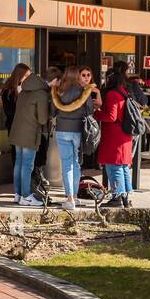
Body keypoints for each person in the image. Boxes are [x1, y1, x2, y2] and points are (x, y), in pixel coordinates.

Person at [51, 66, 94, 210]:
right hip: (77, 130)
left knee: (67, 164)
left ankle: (69, 198)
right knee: (75, 163)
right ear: (77, 76)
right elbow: (89, 110)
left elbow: (53, 111)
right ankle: (74, 196)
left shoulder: (59, 90)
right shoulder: (83, 91)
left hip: (62, 130)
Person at [94, 60, 135, 208]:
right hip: (124, 135)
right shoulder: (124, 91)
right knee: (123, 166)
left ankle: (117, 197)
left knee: (114, 166)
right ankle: (125, 197)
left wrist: (96, 113)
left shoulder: (112, 94)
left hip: (114, 136)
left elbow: (111, 116)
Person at [8, 68, 50, 207]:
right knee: (27, 165)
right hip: (30, 133)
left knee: (19, 164)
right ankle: (26, 196)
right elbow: (43, 119)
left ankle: (18, 194)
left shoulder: (23, 91)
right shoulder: (41, 94)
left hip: (17, 132)